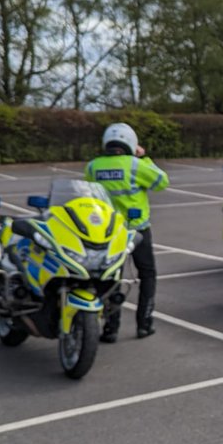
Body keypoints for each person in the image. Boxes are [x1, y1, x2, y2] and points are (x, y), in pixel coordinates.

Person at [86, 122, 169, 342]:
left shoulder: (93, 166)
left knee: (111, 277)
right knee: (147, 275)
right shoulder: (135, 165)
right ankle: (144, 324)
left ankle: (110, 329)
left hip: (107, 232)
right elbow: (162, 181)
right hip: (137, 231)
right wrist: (144, 158)